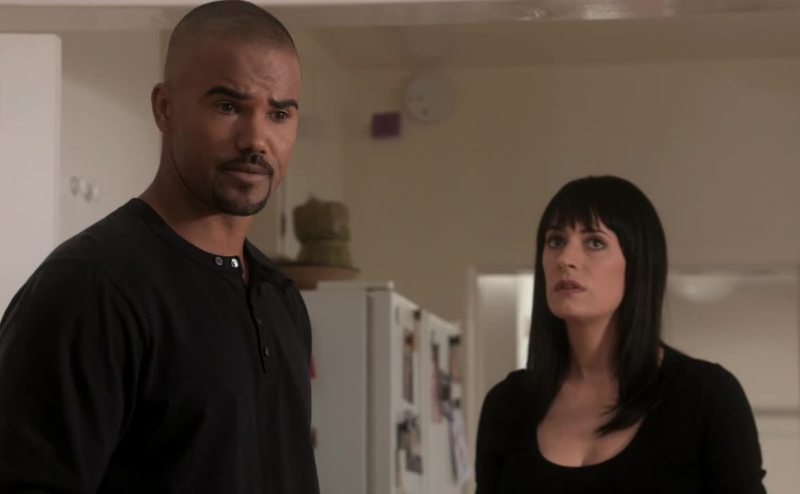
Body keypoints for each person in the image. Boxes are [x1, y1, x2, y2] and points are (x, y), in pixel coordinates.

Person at [0, 1, 319, 492]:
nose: (256, 139)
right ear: (165, 108)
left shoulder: (280, 297)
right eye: (228, 106)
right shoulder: (91, 285)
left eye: (279, 113)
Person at [475, 176, 765, 493]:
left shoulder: (706, 397)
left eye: (594, 243)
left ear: (637, 263)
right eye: (555, 241)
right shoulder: (507, 404)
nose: (566, 259)